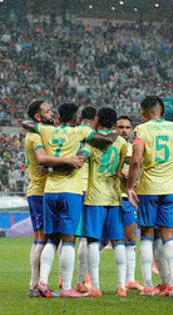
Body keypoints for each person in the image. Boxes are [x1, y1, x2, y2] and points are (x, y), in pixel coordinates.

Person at [21, 103, 115, 298]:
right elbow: (104, 141)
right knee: (69, 240)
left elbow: (25, 124)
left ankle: (43, 282)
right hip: (70, 191)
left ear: (58, 116)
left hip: (49, 190)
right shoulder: (80, 131)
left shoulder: (47, 131)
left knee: (52, 239)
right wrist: (117, 135)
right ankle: (66, 288)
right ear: (75, 118)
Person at [126, 95, 173, 297]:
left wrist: (130, 187)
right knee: (168, 237)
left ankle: (148, 286)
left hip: (149, 190)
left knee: (146, 236)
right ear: (161, 110)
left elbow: (135, 161)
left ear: (144, 112)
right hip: (170, 190)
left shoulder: (141, 130)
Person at [82, 107, 127, 297]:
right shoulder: (122, 142)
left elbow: (80, 159)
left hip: (94, 197)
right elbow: (132, 164)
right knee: (118, 242)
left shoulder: (92, 141)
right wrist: (131, 187)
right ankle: (121, 286)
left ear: (98, 120)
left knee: (93, 241)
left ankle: (95, 288)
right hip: (114, 196)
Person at [23, 100, 50, 297]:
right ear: (37, 117)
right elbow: (42, 159)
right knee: (42, 238)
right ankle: (35, 285)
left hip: (41, 191)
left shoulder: (41, 135)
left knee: (41, 239)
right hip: (39, 192)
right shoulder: (35, 137)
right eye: (47, 111)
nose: (52, 113)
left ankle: (37, 283)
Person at [115, 114, 143, 292]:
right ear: (115, 129)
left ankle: (130, 279)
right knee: (100, 239)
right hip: (110, 197)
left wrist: (135, 179)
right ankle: (86, 278)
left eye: (127, 128)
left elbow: (138, 170)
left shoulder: (135, 149)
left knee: (131, 238)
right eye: (120, 127)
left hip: (127, 199)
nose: (124, 130)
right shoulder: (110, 147)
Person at [75, 105, 97, 293]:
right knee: (85, 237)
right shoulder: (89, 135)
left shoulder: (71, 133)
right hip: (85, 189)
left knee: (66, 238)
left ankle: (62, 278)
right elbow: (82, 157)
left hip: (69, 188)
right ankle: (81, 280)